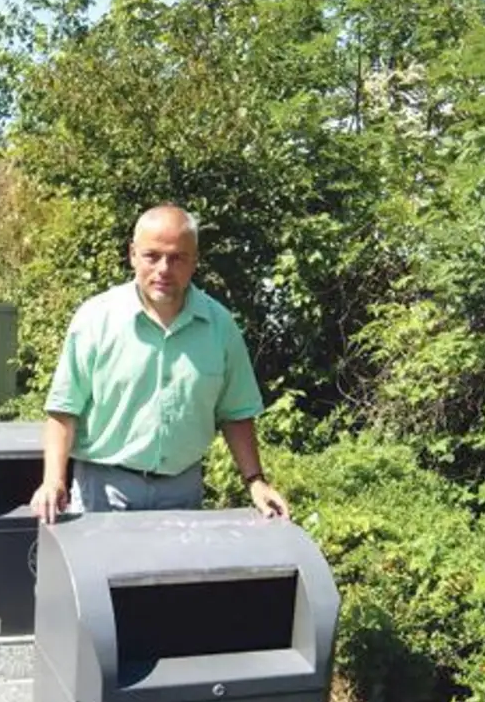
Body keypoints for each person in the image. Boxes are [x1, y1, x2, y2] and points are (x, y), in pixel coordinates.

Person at [29, 204, 290, 523]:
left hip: (183, 493)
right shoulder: (96, 320)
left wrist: (256, 481)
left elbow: (235, 414)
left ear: (194, 262)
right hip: (104, 491)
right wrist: (53, 480)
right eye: (152, 256)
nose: (164, 269)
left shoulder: (220, 327)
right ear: (132, 255)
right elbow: (63, 410)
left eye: (178, 257)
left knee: (172, 576)